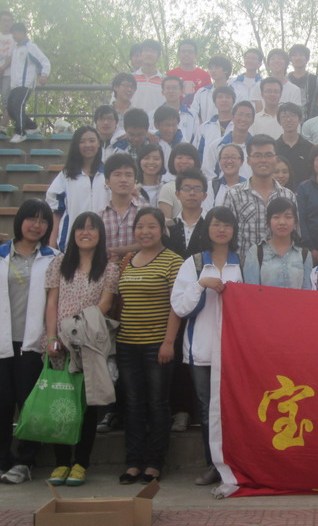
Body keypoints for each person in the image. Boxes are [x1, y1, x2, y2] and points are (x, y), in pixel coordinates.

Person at [0, 200, 58, 485]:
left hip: (34, 344)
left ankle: (26, 461)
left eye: (43, 220)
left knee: (30, 405)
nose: (36, 225)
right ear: (20, 221)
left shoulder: (53, 257)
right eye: (31, 219)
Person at [45, 212, 119, 486]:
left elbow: (105, 304)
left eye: (91, 228)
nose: (85, 233)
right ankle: (61, 462)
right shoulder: (59, 263)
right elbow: (52, 302)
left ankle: (81, 463)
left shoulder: (109, 268)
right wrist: (53, 337)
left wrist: (77, 329)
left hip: (89, 344)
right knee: (61, 403)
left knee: (86, 407)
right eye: (80, 228)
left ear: (100, 234)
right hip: (61, 346)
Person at [171, 206, 242, 486]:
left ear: (234, 230)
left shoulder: (242, 261)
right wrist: (201, 284)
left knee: (233, 409)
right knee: (206, 410)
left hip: (235, 350)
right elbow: (179, 306)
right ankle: (213, 464)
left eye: (227, 224)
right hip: (201, 349)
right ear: (207, 228)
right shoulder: (195, 263)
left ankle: (236, 464)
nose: (221, 229)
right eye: (216, 224)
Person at [116, 207, 183, 484]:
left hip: (157, 345)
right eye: (140, 226)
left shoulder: (173, 261)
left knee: (157, 403)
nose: (145, 232)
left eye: (152, 226)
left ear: (162, 230)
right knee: (132, 404)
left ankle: (155, 462)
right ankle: (133, 462)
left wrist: (169, 342)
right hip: (126, 344)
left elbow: (176, 306)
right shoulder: (128, 260)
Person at [223, 134, 297, 258]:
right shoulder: (234, 194)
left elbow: (295, 235)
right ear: (248, 160)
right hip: (244, 266)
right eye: (257, 155)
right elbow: (225, 235)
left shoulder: (288, 196)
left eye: (268, 155)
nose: (263, 160)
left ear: (276, 159)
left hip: (280, 265)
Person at [47, 126, 108, 251]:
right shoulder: (66, 175)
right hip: (71, 242)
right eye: (82, 141)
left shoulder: (108, 173)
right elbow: (56, 212)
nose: (88, 145)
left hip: (104, 241)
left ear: (98, 143)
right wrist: (52, 244)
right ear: (76, 145)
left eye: (92, 140)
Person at [243, 198, 312, 288]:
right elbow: (251, 291)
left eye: (288, 217)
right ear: (268, 221)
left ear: (295, 222)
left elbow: (307, 292)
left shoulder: (304, 255)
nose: (282, 222)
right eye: (276, 217)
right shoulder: (256, 252)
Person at [6, 23, 50, 143]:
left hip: (25, 84)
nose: (14, 36)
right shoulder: (16, 48)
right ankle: (32, 126)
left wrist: (44, 74)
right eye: (12, 34)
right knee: (10, 109)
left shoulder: (30, 47)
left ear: (23, 33)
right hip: (15, 84)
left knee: (18, 106)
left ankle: (20, 133)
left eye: (15, 33)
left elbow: (44, 61)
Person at [99, 153, 146, 262]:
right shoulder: (100, 216)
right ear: (107, 181)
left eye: (128, 175)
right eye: (117, 174)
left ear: (135, 181)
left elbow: (152, 243)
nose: (123, 179)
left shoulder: (145, 212)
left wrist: (115, 251)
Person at [202, 100, 254, 181]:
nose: (243, 119)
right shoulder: (216, 146)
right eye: (240, 114)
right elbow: (208, 173)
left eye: (248, 116)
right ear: (232, 117)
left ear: (252, 121)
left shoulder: (256, 148)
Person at [167, 170, 210, 259]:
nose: (192, 193)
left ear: (204, 196)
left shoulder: (210, 225)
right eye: (186, 188)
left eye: (197, 189)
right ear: (177, 194)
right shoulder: (168, 226)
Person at [249, 49, 302, 113]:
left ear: (286, 64)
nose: (276, 61)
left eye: (280, 58)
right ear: (268, 64)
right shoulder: (258, 86)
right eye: (273, 59)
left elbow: (295, 115)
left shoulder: (294, 90)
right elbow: (257, 113)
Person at [158, 143, 201, 220]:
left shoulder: (204, 187)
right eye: (179, 157)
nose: (184, 161)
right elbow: (166, 221)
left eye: (189, 158)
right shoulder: (167, 188)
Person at [275, 102, 314, 187]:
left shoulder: (310, 148)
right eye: (284, 117)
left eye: (293, 115)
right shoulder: (273, 148)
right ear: (279, 121)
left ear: (300, 120)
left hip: (304, 193)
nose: (289, 120)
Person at [190, 56, 233, 127]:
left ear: (226, 70)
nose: (213, 70)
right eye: (211, 68)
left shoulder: (236, 93)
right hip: (206, 131)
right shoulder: (202, 92)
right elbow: (193, 113)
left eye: (217, 67)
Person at [167, 40, 211, 108]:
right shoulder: (170, 74)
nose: (186, 54)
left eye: (190, 52)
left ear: (196, 55)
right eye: (183, 51)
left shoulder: (205, 75)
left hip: (199, 113)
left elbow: (209, 99)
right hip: (174, 113)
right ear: (178, 54)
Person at [205, 144, 248, 210]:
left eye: (234, 157)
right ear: (219, 161)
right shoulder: (211, 186)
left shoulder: (249, 187)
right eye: (225, 157)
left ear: (242, 162)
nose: (229, 161)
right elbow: (206, 212)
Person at [131, 40, 165, 118]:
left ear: (158, 56)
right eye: (146, 50)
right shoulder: (130, 79)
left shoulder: (165, 81)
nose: (149, 54)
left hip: (158, 124)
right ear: (140, 54)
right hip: (133, 123)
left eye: (153, 51)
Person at [159, 75, 196, 144]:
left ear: (182, 91)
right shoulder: (153, 114)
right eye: (168, 88)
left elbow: (196, 140)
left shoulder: (193, 115)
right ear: (162, 92)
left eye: (174, 88)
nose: (171, 91)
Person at [288, 44, 318, 112]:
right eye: (294, 55)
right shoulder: (285, 81)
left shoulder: (316, 81)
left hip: (311, 117)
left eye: (301, 55)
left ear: (307, 59)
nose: (298, 58)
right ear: (290, 59)